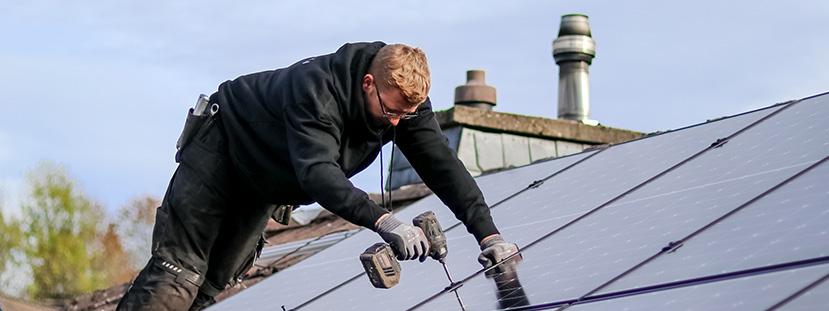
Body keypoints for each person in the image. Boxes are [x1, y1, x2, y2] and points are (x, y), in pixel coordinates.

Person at [117, 42, 518, 310]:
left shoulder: (403, 103)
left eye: (406, 115)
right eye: (390, 111)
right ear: (367, 84)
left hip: (265, 180)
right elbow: (318, 174)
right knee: (178, 278)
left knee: (213, 286)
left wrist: (489, 234)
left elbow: (445, 169)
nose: (396, 122)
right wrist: (384, 220)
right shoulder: (317, 90)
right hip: (222, 152)